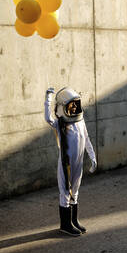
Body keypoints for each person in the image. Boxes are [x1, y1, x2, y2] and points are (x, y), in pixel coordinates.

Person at [44, 87, 97, 236]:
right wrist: (48, 98)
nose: (74, 107)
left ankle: (74, 221)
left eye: (76, 103)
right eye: (71, 104)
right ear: (64, 107)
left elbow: (86, 139)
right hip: (65, 164)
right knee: (66, 192)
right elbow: (48, 118)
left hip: (78, 162)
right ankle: (65, 225)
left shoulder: (80, 121)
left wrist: (92, 157)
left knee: (76, 190)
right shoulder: (61, 124)